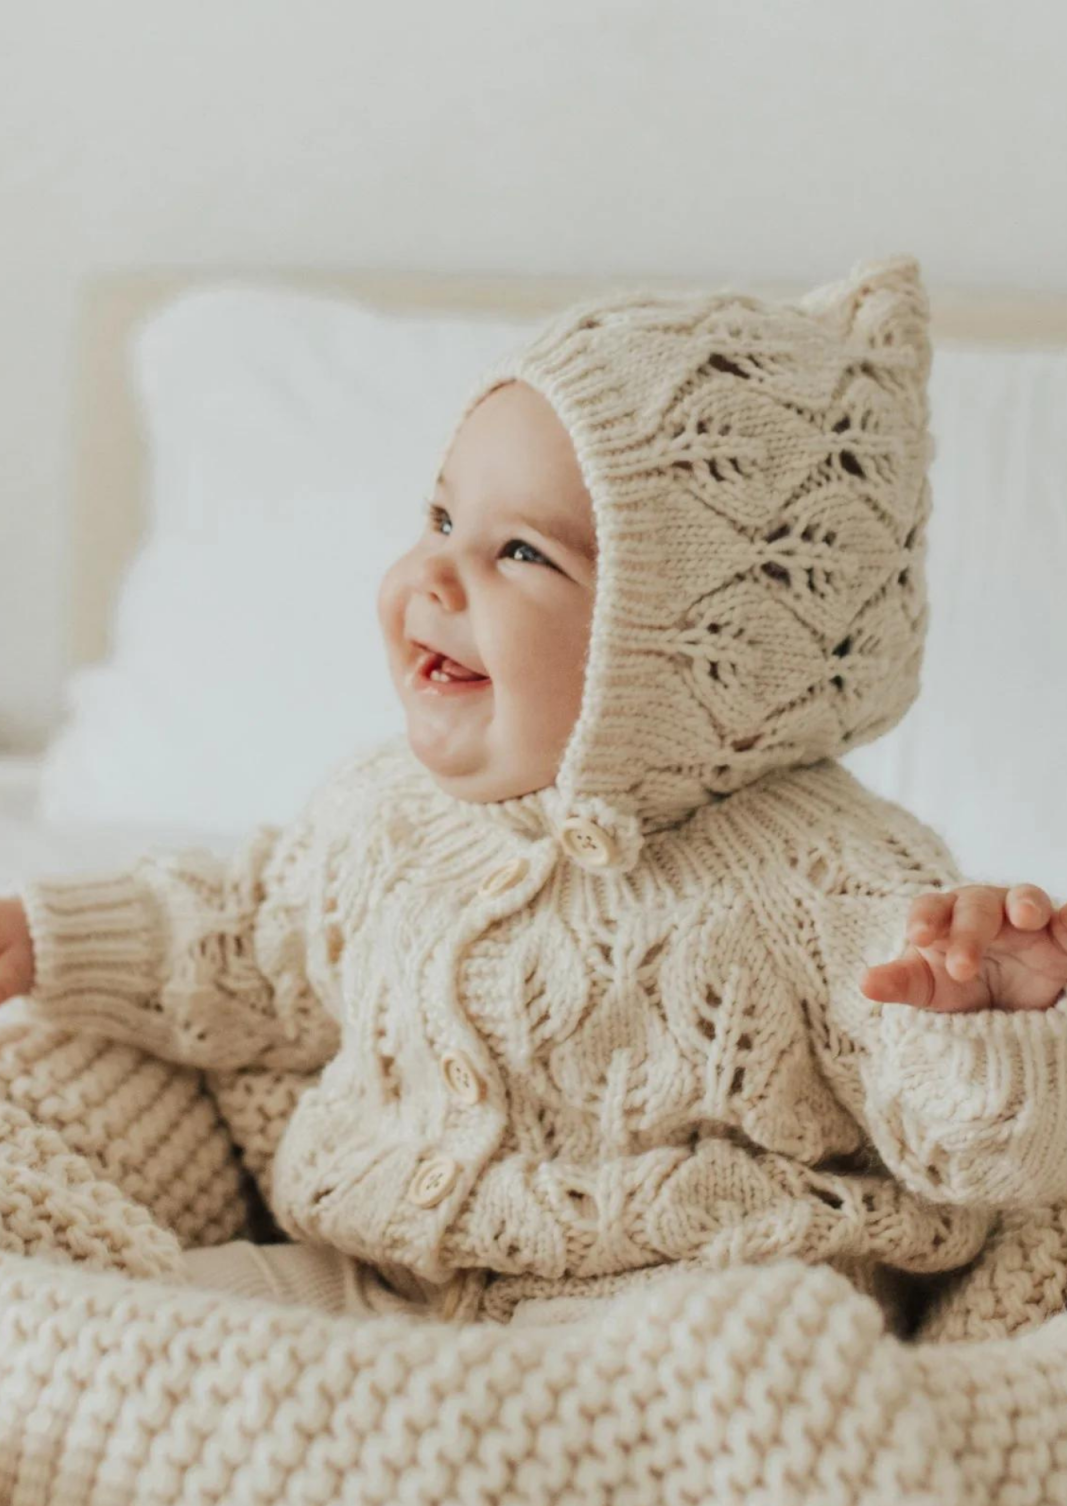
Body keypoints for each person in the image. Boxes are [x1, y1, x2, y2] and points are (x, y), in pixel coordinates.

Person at [1, 254, 1065, 1334]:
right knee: (135, 1322)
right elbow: (247, 939)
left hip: (658, 1314)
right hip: (375, 1276)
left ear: (699, 653)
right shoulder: (385, 812)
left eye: (518, 551)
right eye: (438, 517)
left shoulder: (832, 880)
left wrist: (987, 1023)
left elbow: (965, 1153)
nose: (434, 574)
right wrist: (48, 935)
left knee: (745, 1362)